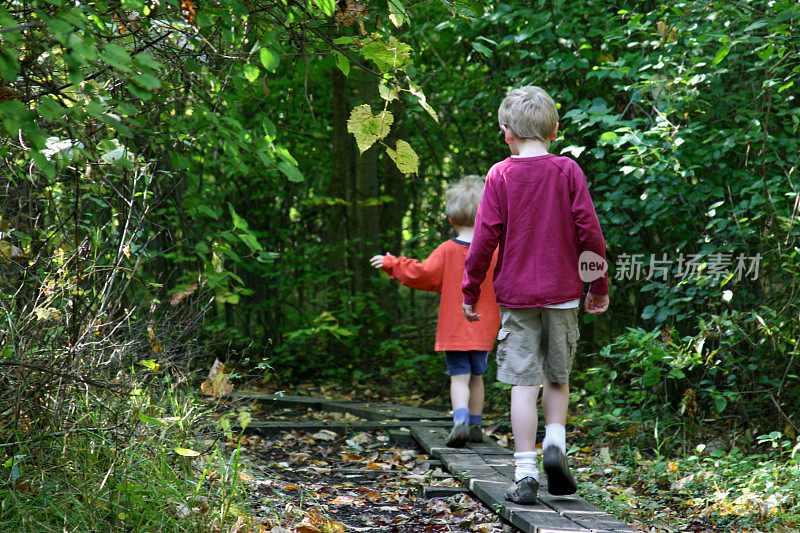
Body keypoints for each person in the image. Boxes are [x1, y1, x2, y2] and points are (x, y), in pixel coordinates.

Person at [461, 86, 610, 504]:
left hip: (517, 297)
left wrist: (470, 290)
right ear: (556, 130)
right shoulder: (568, 171)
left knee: (523, 383)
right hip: (563, 294)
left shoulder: (500, 175)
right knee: (556, 378)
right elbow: (590, 234)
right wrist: (597, 286)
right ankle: (556, 446)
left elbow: (483, 240)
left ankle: (525, 471)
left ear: (506, 133)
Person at [370, 175, 500, 448]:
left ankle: (460, 420)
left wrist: (392, 264)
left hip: (455, 327)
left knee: (459, 377)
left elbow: (422, 274)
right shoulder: (496, 251)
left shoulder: (447, 250)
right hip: (485, 326)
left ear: (451, 218)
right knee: (478, 376)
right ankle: (476, 425)